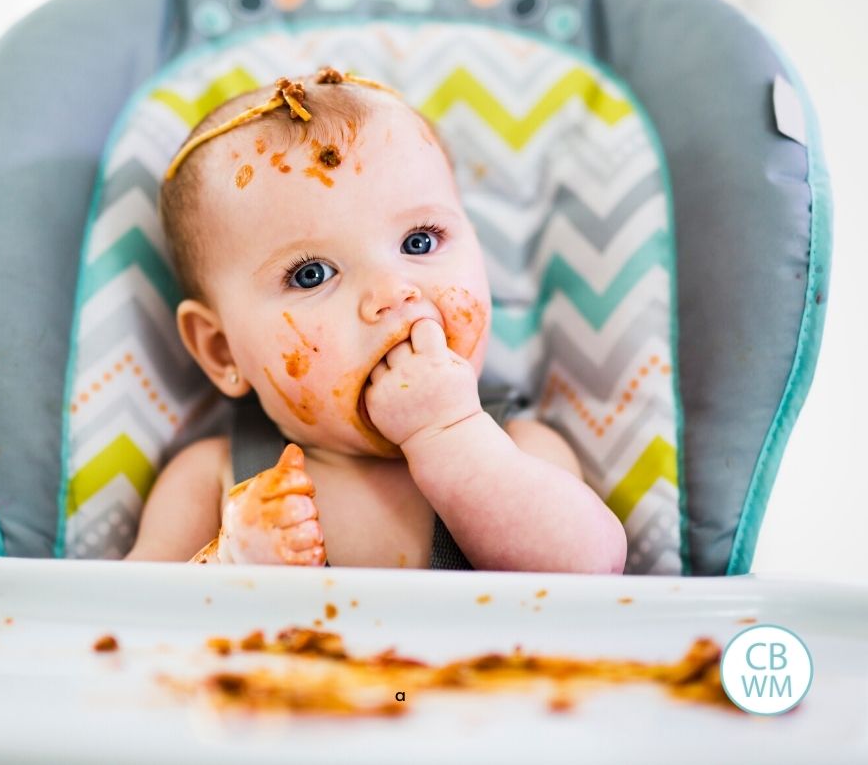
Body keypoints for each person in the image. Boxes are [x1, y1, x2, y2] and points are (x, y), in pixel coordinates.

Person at [124, 68, 627, 573]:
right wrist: (229, 565)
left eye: (420, 242)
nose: (392, 295)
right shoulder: (213, 479)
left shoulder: (518, 450)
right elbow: (120, 618)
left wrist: (450, 433)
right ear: (222, 350)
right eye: (311, 274)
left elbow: (593, 571)